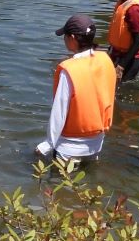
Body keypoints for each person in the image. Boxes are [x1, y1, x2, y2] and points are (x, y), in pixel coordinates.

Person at [35, 14, 117, 165]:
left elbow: (59, 111)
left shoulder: (69, 70)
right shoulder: (105, 60)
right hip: (97, 142)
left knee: (61, 185)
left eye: (64, 36)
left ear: (72, 37)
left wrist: (48, 144)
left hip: (69, 147)